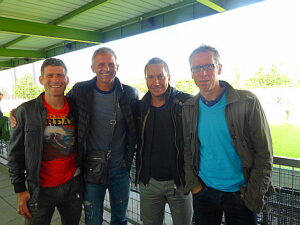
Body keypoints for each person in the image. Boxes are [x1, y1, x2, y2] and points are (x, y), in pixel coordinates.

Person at [182, 45, 274, 225]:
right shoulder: (189, 108)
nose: (202, 73)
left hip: (240, 195)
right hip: (204, 192)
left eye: (208, 66)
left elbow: (264, 154)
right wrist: (195, 186)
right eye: (196, 68)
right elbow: (187, 149)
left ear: (219, 68)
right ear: (191, 73)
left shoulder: (247, 102)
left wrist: (252, 195)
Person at [67, 47, 138, 225]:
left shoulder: (129, 93)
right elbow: (57, 102)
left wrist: (128, 159)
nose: (106, 68)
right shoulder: (80, 90)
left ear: (117, 66)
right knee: (93, 220)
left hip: (120, 170)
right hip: (91, 170)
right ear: (93, 68)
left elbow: (137, 126)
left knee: (120, 219)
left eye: (110, 64)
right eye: (101, 64)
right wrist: (22, 111)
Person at [8, 58, 82, 225]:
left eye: (60, 75)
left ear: (67, 80)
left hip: (72, 186)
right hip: (39, 190)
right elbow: (15, 153)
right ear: (41, 79)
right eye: (49, 75)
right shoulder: (26, 111)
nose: (55, 80)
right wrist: (20, 190)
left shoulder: (77, 109)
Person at [136, 57, 193, 225]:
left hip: (180, 183)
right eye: (151, 77)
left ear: (169, 77)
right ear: (146, 79)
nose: (156, 81)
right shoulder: (140, 107)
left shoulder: (185, 102)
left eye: (160, 76)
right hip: (149, 183)